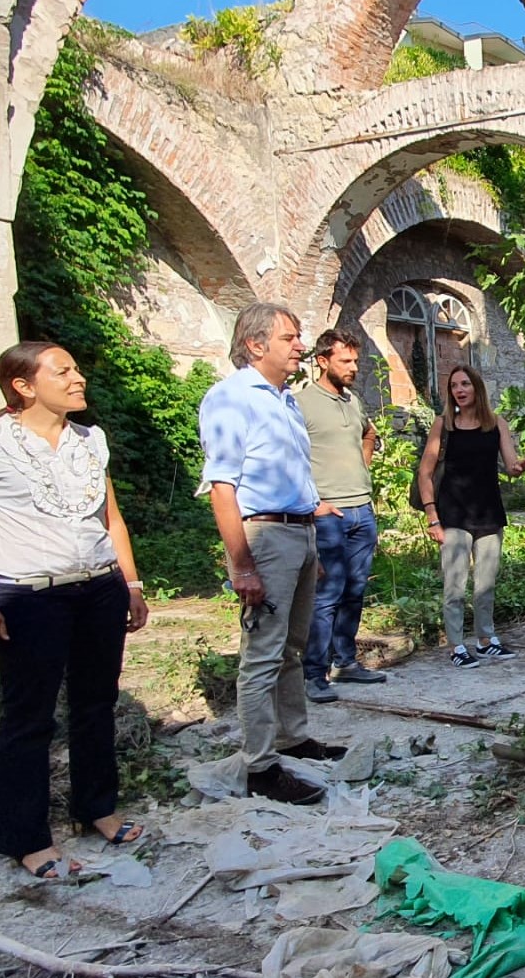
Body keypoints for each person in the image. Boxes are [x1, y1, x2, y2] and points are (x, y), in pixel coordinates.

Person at [0, 342, 152, 880]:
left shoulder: (90, 440)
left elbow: (112, 519)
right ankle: (27, 838)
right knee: (28, 719)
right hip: (29, 595)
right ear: (24, 386)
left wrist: (130, 583)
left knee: (95, 703)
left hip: (98, 588)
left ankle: (96, 809)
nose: (78, 378)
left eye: (77, 368)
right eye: (64, 371)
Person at [199, 302, 344, 806]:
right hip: (265, 536)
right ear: (256, 344)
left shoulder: (283, 400)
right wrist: (241, 564)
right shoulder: (231, 398)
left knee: (292, 646)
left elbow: (292, 476)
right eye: (290, 337)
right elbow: (223, 488)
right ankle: (260, 765)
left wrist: (311, 545)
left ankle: (293, 737)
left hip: (299, 534)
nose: (301, 345)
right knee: (261, 654)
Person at [417, 365, 525, 668]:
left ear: (477, 389)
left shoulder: (496, 424)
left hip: (488, 513)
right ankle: (456, 645)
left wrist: (521, 467)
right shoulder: (443, 425)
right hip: (453, 515)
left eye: (465, 384)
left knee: (486, 584)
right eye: (454, 386)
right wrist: (433, 517)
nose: (459, 390)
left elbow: (510, 466)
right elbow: (425, 473)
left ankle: (486, 640)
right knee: (454, 585)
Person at [293, 329, 387, 703]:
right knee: (326, 595)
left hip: (361, 510)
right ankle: (313, 673)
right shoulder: (300, 404)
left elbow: (369, 434)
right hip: (327, 512)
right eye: (345, 361)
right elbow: (289, 456)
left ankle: (344, 662)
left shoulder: (352, 401)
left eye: (355, 360)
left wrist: (362, 472)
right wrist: (312, 503)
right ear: (322, 360)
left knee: (355, 589)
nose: (353, 367)